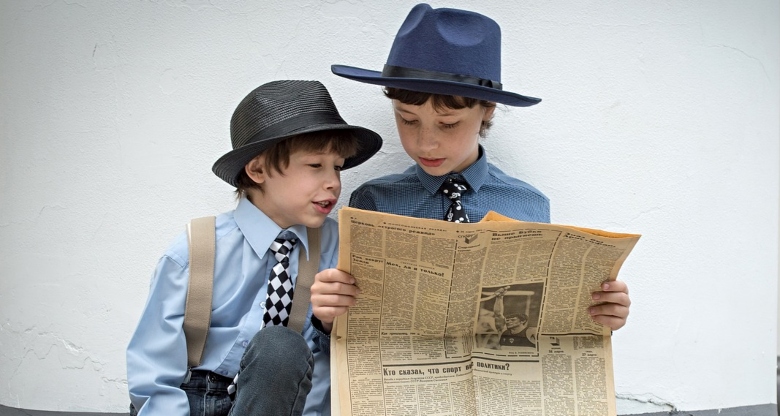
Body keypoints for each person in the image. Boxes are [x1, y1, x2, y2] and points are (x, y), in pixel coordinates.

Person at [312, 4, 630, 334]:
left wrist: (600, 312)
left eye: (447, 124)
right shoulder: (374, 201)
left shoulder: (530, 206)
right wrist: (328, 315)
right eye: (407, 119)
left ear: (487, 110)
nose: (425, 144)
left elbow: (535, 324)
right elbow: (350, 326)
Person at [126, 80, 382, 416]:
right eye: (315, 165)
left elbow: (327, 373)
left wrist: (330, 323)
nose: (333, 182)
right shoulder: (198, 249)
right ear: (258, 169)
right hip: (193, 401)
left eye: (337, 166)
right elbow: (153, 373)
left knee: (281, 348)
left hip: (281, 403)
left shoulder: (339, 247)